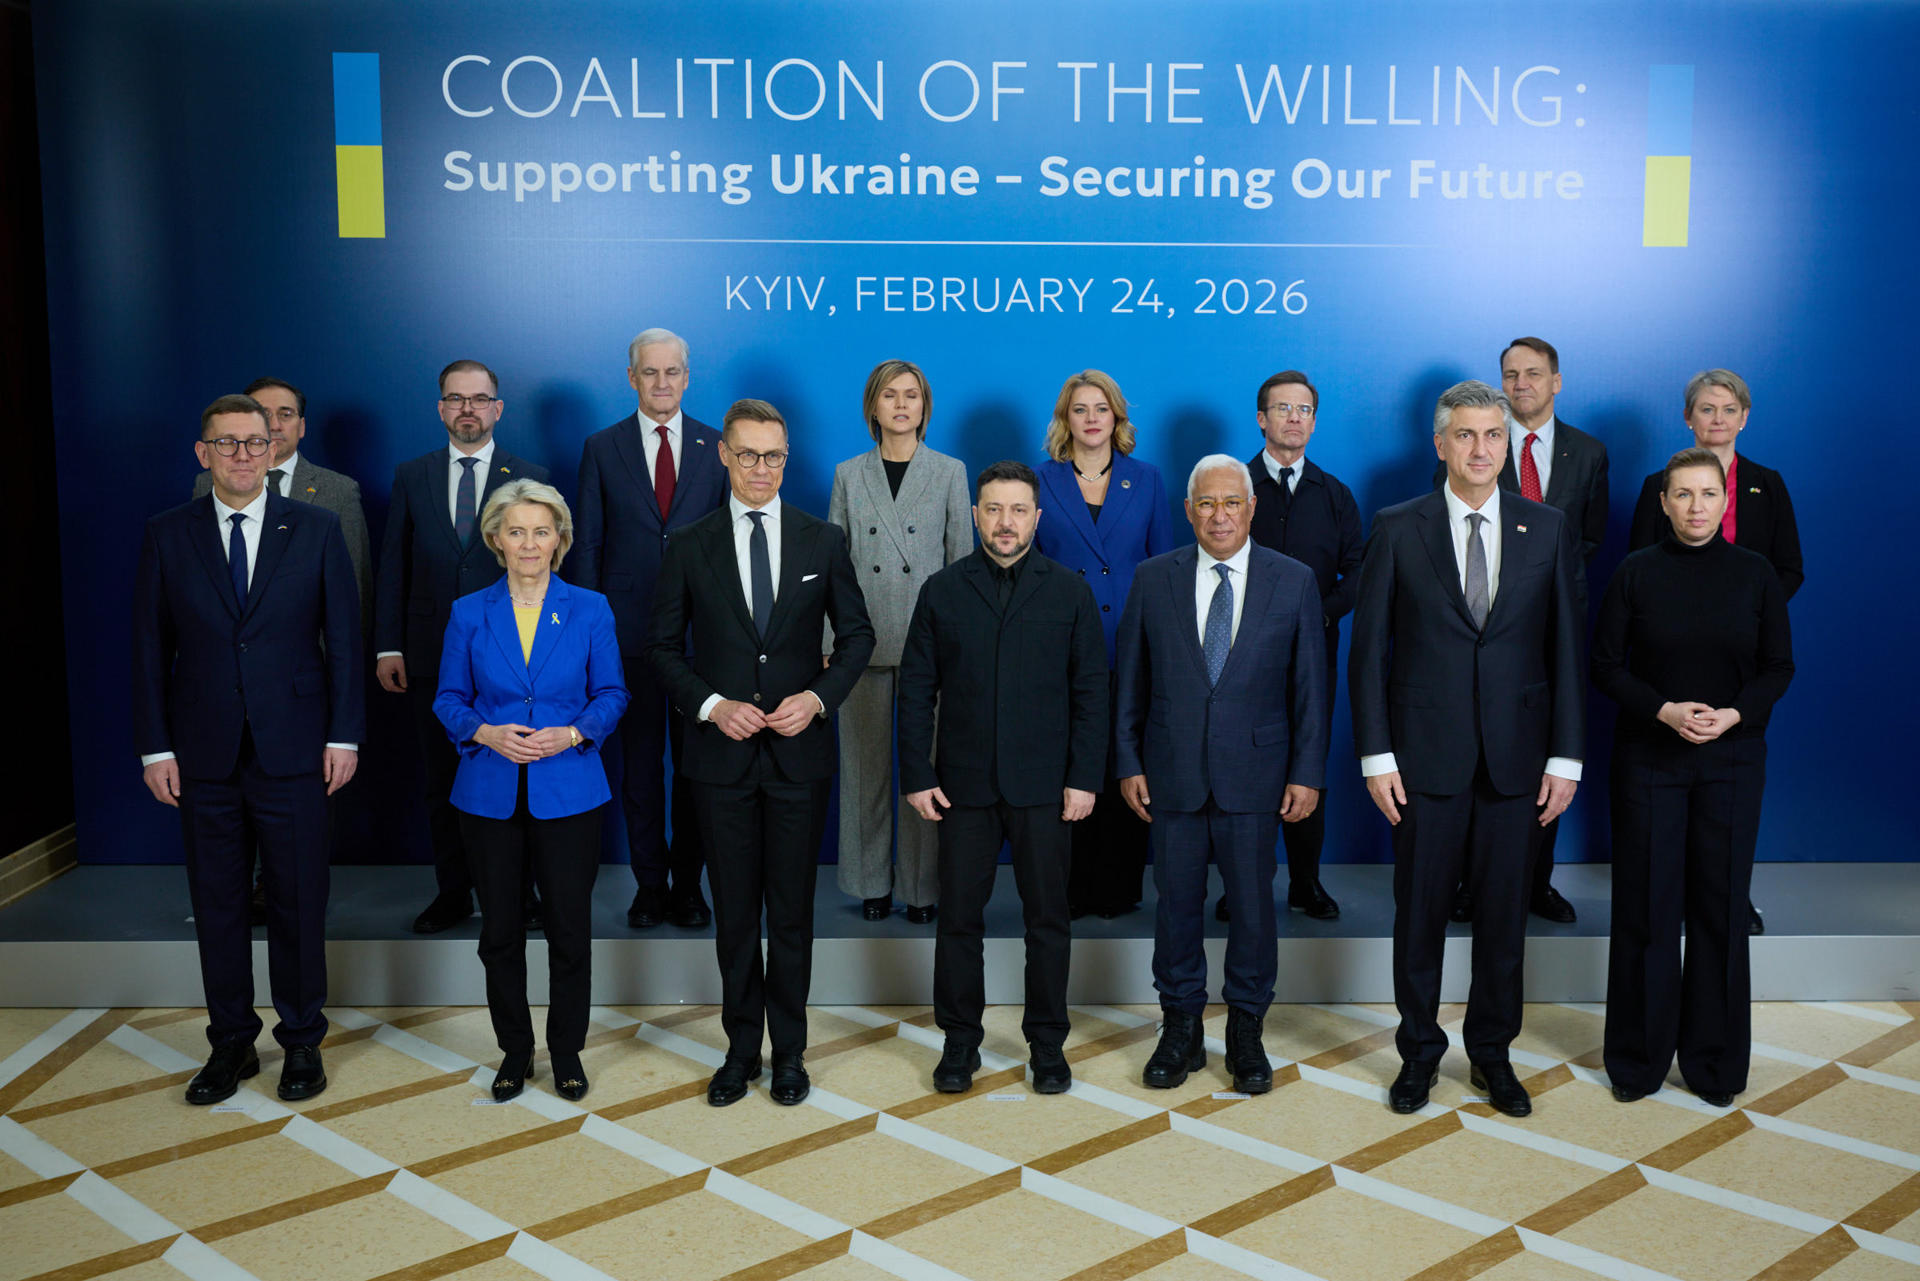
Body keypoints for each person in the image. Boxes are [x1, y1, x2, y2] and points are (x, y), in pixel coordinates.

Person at [1349, 380, 1585, 1119]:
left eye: (1493, 435)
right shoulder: (1397, 526)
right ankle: (1418, 1054)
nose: (1481, 449)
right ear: (1441, 443)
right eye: (1466, 435)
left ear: (1506, 444)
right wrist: (1377, 757)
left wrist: (1566, 758)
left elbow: (1566, 650)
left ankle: (1492, 1054)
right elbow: (1367, 655)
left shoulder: (1547, 527)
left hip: (1519, 763)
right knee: (1418, 918)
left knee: (1504, 922)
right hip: (1423, 763)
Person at [133, 394, 363, 1104]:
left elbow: (345, 643)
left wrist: (344, 734)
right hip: (201, 753)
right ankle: (231, 1043)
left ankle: (301, 1041)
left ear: (274, 448)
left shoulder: (317, 528)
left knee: (298, 901)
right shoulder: (168, 533)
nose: (242, 454)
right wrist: (154, 749)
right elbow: (148, 648)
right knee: (219, 903)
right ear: (202, 453)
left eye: (254, 442)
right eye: (226, 443)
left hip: (296, 748)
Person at [647, 399, 874, 1108]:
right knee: (737, 917)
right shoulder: (691, 543)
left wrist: (818, 699)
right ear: (723, 455)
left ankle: (790, 1055)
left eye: (773, 456)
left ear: (786, 458)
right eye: (747, 454)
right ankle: (741, 1050)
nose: (760, 469)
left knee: (793, 916)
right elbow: (661, 648)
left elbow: (858, 637)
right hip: (720, 761)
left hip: (799, 761)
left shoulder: (821, 539)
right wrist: (713, 706)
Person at [1116, 456, 1328, 1093]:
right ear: (1188, 511)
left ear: (1251, 508)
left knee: (1254, 909)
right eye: (1206, 504)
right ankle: (1179, 1026)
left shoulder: (1293, 580)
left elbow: (1310, 689)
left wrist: (1307, 772)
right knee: (1175, 905)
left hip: (1257, 774)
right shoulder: (1153, 577)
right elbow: (1130, 680)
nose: (1219, 516)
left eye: (1232, 503)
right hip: (1171, 772)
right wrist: (1127, 761)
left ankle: (1245, 1028)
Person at [898, 461, 1107, 1095]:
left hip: (1046, 788)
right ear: (975, 515)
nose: (1005, 522)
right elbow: (916, 689)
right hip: (962, 788)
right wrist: (916, 773)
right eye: (993, 509)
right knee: (959, 920)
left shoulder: (1069, 592)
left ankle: (1047, 1045)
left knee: (1048, 921)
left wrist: (1084, 778)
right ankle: (960, 1042)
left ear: (1036, 518)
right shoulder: (941, 590)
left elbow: (1091, 693)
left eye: (1017, 510)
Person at [1596, 447, 1792, 1109]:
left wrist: (1732, 715)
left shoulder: (1756, 573)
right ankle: (1637, 1060)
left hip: (1732, 761)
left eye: (1708, 493)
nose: (1696, 506)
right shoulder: (1635, 572)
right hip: (1650, 759)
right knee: (1646, 909)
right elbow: (1605, 665)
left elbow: (1779, 667)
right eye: (1682, 494)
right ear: (1663, 502)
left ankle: (1714, 1064)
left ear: (1725, 499)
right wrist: (1664, 711)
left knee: (1720, 910)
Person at [435, 481, 628, 1102]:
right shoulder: (468, 611)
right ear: (495, 538)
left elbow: (613, 694)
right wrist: (484, 731)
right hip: (488, 792)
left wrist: (573, 732)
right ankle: (514, 1051)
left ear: (559, 539)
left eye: (541, 531)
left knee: (569, 929)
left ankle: (566, 1051)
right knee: (499, 933)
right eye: (516, 531)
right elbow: (448, 699)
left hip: (569, 790)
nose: (529, 543)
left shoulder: (591, 608)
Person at [375, 360, 549, 935]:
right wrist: (388, 646)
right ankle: (453, 892)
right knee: (441, 780)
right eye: (456, 399)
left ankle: (521, 893)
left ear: (497, 408)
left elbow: (547, 565)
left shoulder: (530, 475)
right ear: (441, 408)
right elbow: (393, 564)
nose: (467, 409)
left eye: (478, 399)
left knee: (514, 774)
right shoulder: (412, 475)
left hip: (511, 653)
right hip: (429, 651)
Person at [192, 376, 374, 926]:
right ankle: (247, 889)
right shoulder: (205, 485)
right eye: (262, 414)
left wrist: (329, 693)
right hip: (228, 688)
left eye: (285, 414)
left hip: (302, 687)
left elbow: (351, 596)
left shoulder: (336, 491)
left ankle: (288, 891)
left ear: (301, 425)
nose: (273, 425)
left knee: (301, 822)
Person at [1440, 339, 1610, 926]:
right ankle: (1470, 883)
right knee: (1478, 753)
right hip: (1482, 626)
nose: (1521, 384)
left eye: (1533, 374)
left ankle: (1537, 882)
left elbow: (1589, 539)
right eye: (1510, 374)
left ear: (1555, 381)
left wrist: (1542, 588)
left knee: (1543, 755)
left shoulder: (1589, 453)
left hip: (1553, 624)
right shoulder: (1475, 446)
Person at [1627, 369, 1802, 938]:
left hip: (1740, 663)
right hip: (1668, 668)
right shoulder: (1659, 484)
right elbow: (1640, 567)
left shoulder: (1766, 484)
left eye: (1729, 409)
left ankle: (1731, 895)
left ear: (1744, 418)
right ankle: (1672, 894)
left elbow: (1788, 566)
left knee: (1730, 802)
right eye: (1707, 408)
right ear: (1689, 418)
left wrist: (1744, 611)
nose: (1718, 419)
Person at [572, 329, 728, 931]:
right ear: (632, 377)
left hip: (700, 639)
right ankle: (649, 886)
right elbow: (587, 544)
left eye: (672, 372)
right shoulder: (601, 447)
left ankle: (688, 887)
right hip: (626, 636)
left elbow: (727, 543)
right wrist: (588, 635)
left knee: (694, 770)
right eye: (650, 372)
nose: (662, 383)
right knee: (639, 770)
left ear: (687, 377)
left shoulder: (716, 446)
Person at [827, 359, 972, 924]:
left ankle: (921, 887)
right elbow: (833, 567)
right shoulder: (848, 474)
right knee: (864, 770)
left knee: (924, 770)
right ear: (873, 406)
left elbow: (961, 565)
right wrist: (830, 639)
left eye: (912, 395)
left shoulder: (950, 472)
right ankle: (870, 882)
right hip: (861, 640)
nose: (902, 404)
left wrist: (962, 646)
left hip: (928, 643)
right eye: (890, 395)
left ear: (925, 406)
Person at [1033, 370, 1177, 919]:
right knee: (1069, 763)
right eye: (1080, 409)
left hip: (1132, 644)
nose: (1091, 418)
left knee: (1126, 761)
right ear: (1064, 419)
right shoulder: (1040, 480)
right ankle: (1069, 887)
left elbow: (1164, 568)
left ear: (1117, 416)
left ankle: (1118, 887)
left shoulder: (1147, 478)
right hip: (1061, 647)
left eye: (1101, 408)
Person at [1237, 370, 1364, 922]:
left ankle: (1306, 882)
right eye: (1283, 408)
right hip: (1240, 654)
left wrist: (1316, 617)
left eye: (1304, 410)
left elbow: (1358, 571)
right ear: (1261, 419)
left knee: (1307, 758)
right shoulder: (1235, 486)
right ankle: (1244, 881)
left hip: (1315, 652)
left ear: (1314, 422)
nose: (1294, 418)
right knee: (1245, 764)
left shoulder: (1335, 495)